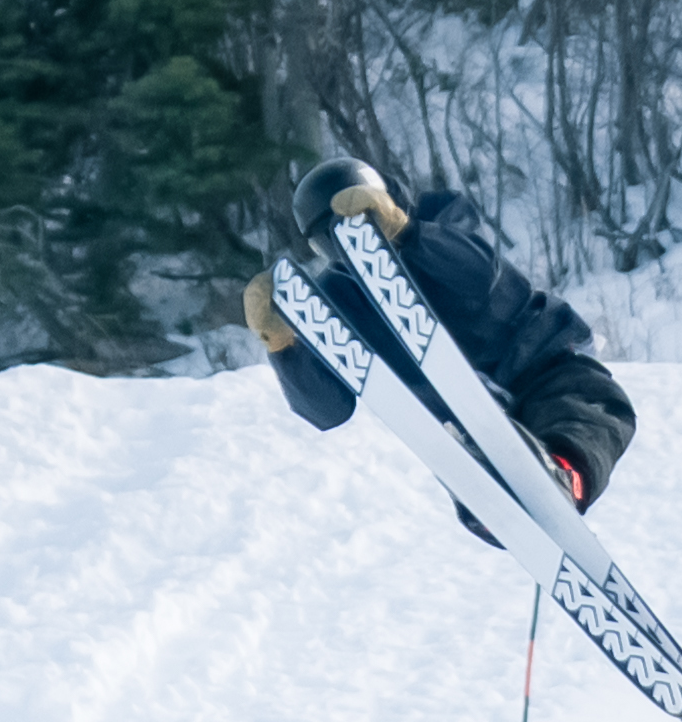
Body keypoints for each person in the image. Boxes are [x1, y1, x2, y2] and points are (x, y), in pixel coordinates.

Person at [244, 160, 639, 519]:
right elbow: (329, 410)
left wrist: (405, 234)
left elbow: (484, 279)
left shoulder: (442, 216)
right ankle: (504, 507)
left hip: (543, 367)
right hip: (469, 425)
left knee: (592, 413)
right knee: (468, 481)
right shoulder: (339, 298)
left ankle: (560, 481)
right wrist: (284, 347)